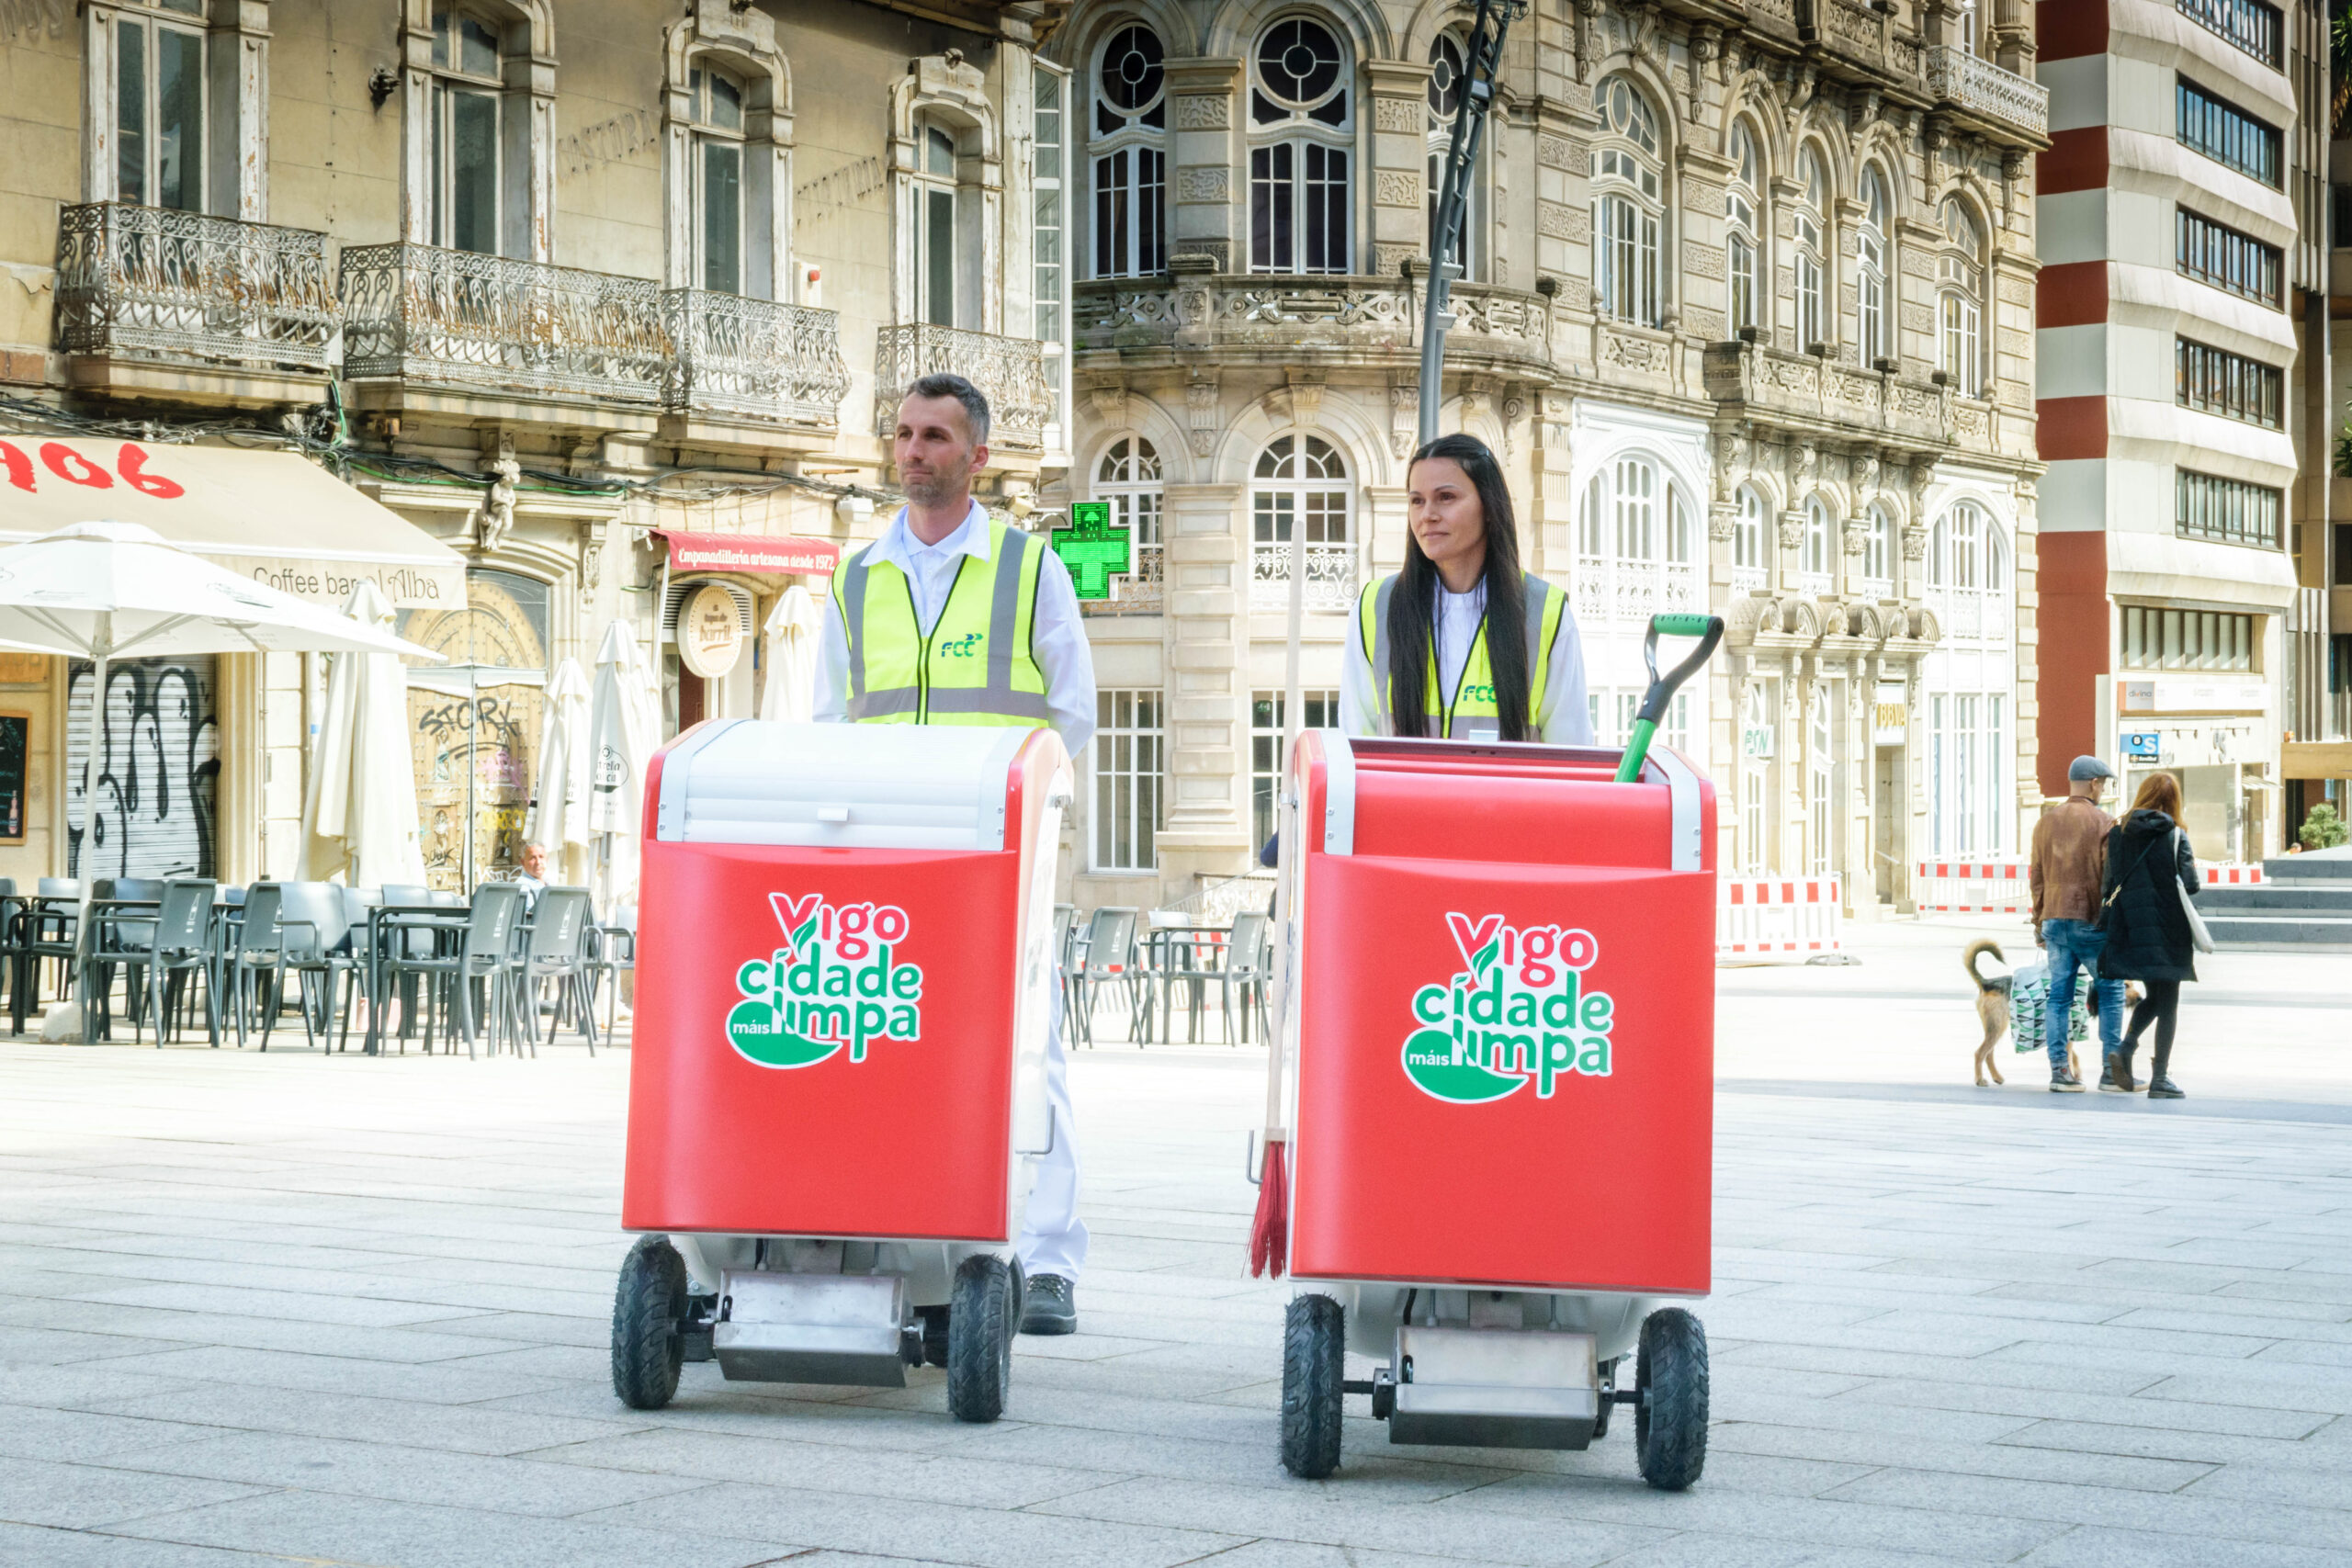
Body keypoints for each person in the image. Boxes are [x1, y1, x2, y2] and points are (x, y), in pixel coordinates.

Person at [814, 371, 1096, 1336]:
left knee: (1030, 1053)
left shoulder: (1029, 568)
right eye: (901, 434)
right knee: (889, 1045)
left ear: (976, 456)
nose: (912, 451)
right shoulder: (856, 577)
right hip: (890, 860)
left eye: (934, 436)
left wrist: (1018, 805)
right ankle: (899, 1230)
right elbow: (829, 722)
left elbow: (1073, 713)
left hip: (1001, 859)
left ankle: (1049, 1263)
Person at [1342, 433, 1593, 745]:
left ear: (1489, 506)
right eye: (1416, 500)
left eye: (1446, 497)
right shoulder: (1374, 607)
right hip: (1399, 797)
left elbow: (1571, 755)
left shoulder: (1546, 611)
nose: (1427, 515)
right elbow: (1354, 745)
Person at [2097, 772, 2200, 1100]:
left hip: (2131, 925)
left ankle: (2126, 1050)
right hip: (2168, 928)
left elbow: (2109, 882)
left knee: (2156, 995)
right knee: (2168, 1002)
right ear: (2174, 802)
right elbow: (2192, 883)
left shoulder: (2118, 832)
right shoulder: (2175, 835)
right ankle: (2160, 1079)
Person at [2027, 756, 2126, 1092]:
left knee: (2059, 997)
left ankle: (2060, 1072)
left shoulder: (2044, 823)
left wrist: (2039, 921)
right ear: (2094, 783)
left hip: (2054, 919)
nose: (2103, 790)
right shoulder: (2104, 823)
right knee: (2111, 991)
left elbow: (2036, 877)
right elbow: (2110, 878)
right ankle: (2112, 1073)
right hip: (2090, 921)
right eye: (2104, 783)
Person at [514, 841, 548, 913]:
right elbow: (529, 916)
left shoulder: (549, 882)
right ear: (523, 862)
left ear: (547, 860)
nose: (538, 862)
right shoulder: (522, 885)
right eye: (533, 858)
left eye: (541, 857)